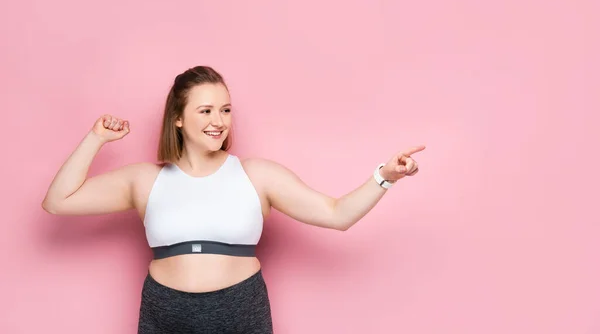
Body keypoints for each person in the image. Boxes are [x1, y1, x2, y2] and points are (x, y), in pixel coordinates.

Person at [41, 65, 424, 333]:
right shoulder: (144, 180)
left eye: (225, 110)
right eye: (205, 110)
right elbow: (58, 201)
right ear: (177, 117)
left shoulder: (257, 175)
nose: (218, 121)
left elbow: (336, 214)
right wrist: (96, 138)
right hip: (164, 313)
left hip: (239, 310)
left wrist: (383, 177)